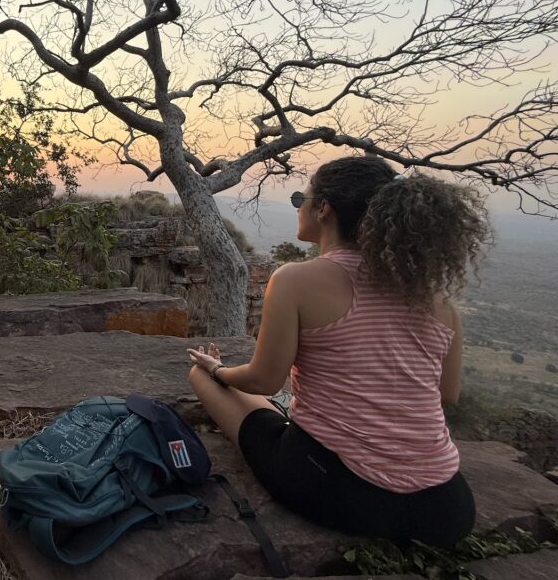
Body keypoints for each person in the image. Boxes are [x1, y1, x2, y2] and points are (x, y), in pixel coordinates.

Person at [187, 156, 491, 547]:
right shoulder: (435, 299)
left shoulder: (295, 279)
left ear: (324, 209)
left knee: (205, 378)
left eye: (303, 198)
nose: (299, 206)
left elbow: (264, 380)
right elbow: (446, 394)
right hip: (446, 509)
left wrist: (217, 371)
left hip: (339, 489)